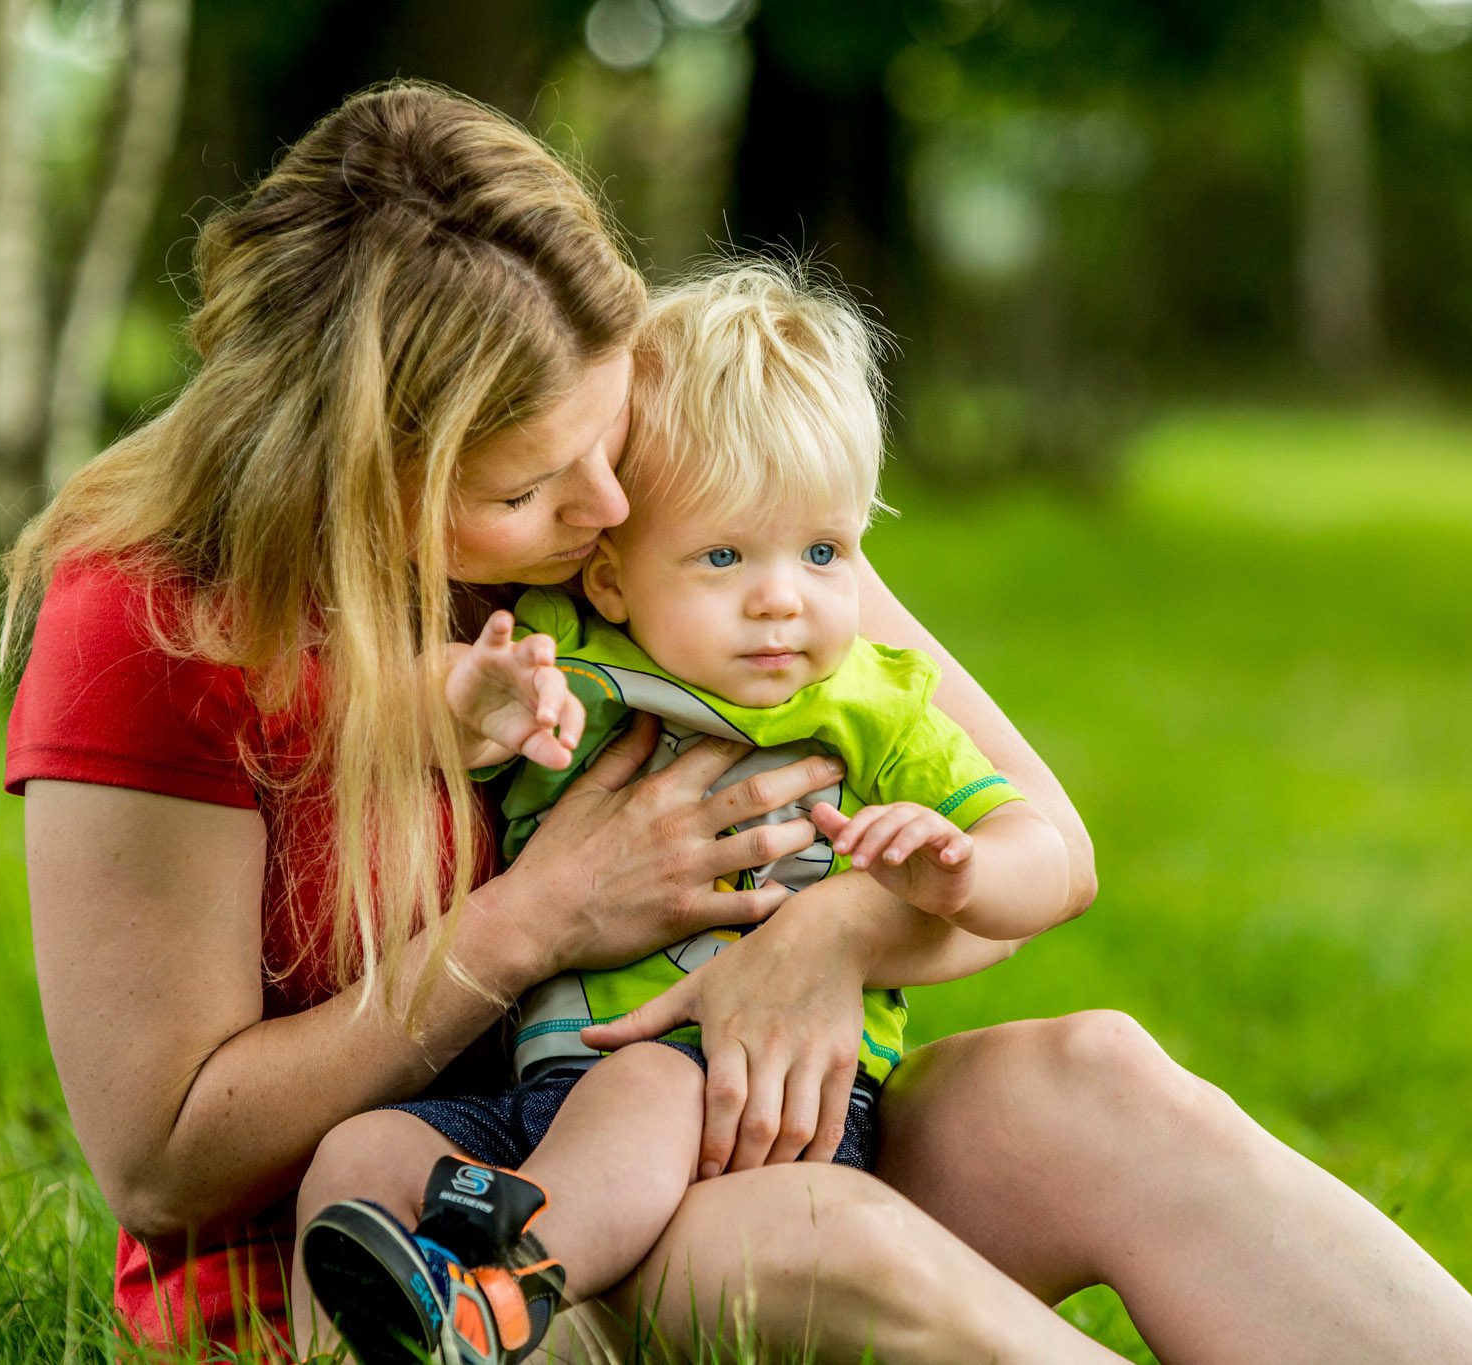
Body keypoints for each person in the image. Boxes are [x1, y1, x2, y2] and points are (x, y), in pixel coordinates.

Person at [3, 80, 1472, 1364]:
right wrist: (534, 922)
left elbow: (1033, 836)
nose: (610, 511)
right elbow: (161, 1165)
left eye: (613, 439)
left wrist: (830, 940)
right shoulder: (157, 627)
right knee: (814, 1232)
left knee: (1100, 1081)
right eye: (535, 488)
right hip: (421, 1248)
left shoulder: (687, 546)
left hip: (738, 1131)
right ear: (363, 470)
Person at [294, 263, 1077, 1364]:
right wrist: (472, 697)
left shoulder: (866, 704)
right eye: (723, 556)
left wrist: (957, 876)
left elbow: (1053, 858)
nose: (780, 596)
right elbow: (404, 704)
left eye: (823, 552)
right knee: (363, 1152)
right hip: (537, 1094)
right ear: (608, 579)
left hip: (743, 1098)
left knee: (649, 1085)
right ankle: (409, 1301)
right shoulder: (579, 659)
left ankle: (499, 1294)